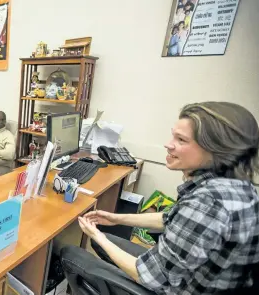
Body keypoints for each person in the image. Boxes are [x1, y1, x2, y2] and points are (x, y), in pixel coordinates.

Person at [63, 102, 259, 294]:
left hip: (175, 286)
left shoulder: (208, 203)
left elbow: (147, 275)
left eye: (181, 140)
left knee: (71, 255)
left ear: (217, 150)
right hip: (192, 276)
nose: (168, 145)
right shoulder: (235, 185)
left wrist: (97, 235)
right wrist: (116, 218)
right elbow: (169, 218)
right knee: (101, 241)